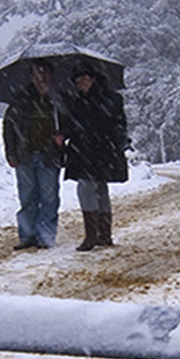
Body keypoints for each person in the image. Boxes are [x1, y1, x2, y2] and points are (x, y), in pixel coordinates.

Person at [2, 60, 65, 251]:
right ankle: (27, 236)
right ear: (31, 77)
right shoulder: (20, 100)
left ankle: (45, 236)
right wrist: (11, 152)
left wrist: (63, 135)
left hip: (50, 155)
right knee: (27, 197)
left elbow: (70, 122)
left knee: (49, 197)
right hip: (24, 156)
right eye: (38, 73)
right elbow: (8, 128)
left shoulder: (58, 100)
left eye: (45, 73)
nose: (41, 77)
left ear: (52, 76)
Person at [64, 69, 129, 251]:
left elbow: (117, 123)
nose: (81, 84)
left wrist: (120, 143)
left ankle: (93, 236)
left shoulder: (109, 99)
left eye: (84, 79)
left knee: (86, 187)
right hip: (87, 151)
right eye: (78, 81)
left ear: (93, 79)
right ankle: (103, 235)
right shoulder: (78, 101)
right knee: (99, 188)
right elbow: (75, 126)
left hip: (100, 150)